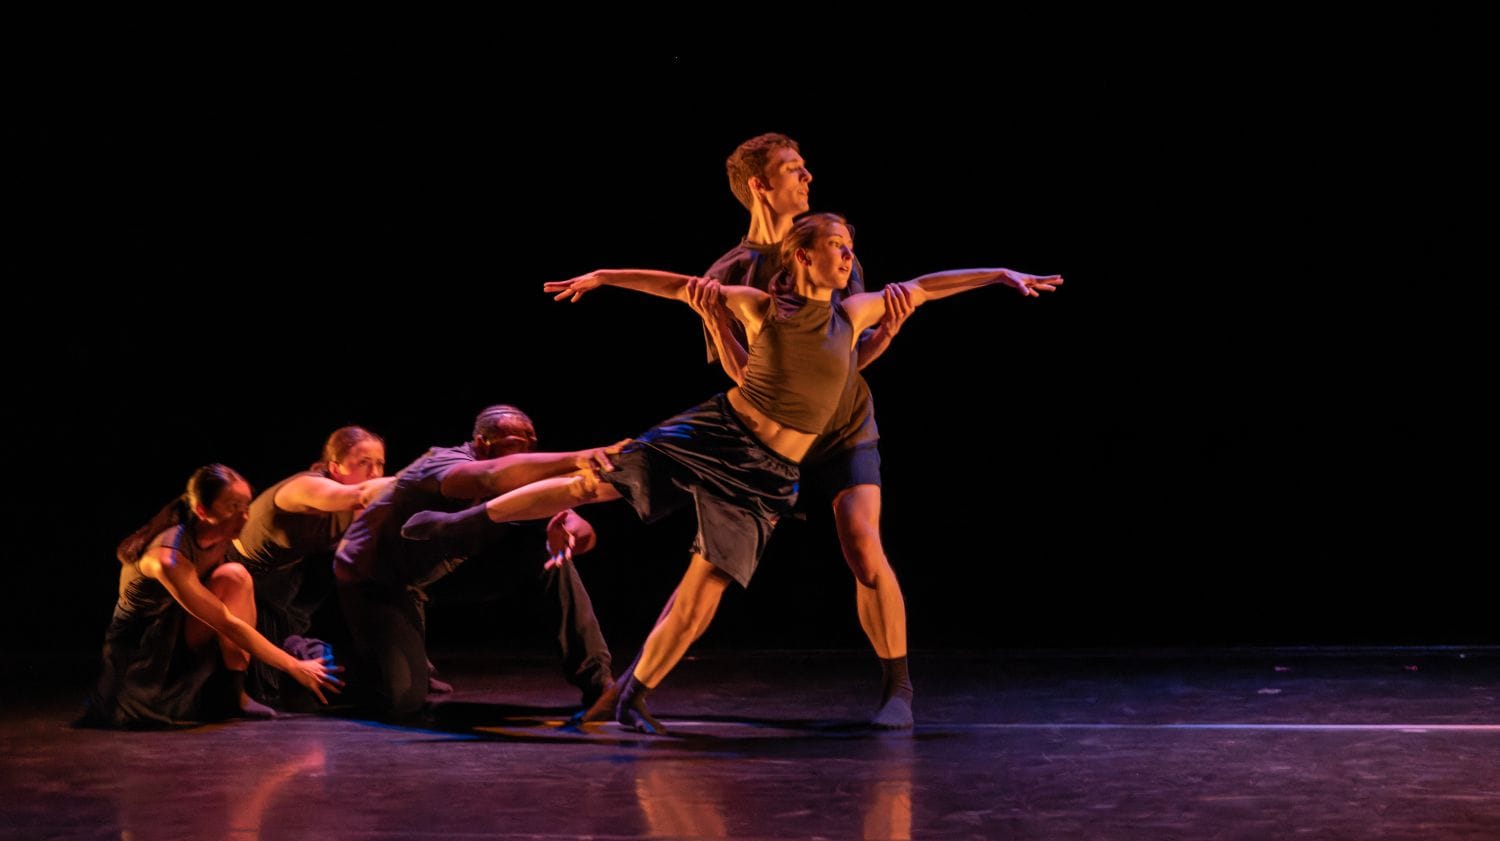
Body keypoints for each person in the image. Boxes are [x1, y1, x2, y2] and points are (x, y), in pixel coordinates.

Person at [403, 213, 1061, 733]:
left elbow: (923, 288)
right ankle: (457, 519)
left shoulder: (850, 315)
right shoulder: (764, 306)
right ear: (801, 256)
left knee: (709, 580)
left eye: (847, 247)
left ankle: (632, 696)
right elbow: (678, 286)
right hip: (716, 432)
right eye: (833, 245)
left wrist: (999, 273)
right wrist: (604, 274)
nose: (845, 256)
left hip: (770, 473)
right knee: (595, 482)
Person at [691, 132, 920, 727]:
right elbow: (750, 383)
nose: (808, 177)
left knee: (864, 545)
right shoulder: (731, 272)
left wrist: (887, 334)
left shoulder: (830, 246)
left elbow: (846, 351)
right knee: (713, 566)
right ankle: (633, 686)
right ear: (761, 186)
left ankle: (898, 690)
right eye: (793, 169)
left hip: (844, 426)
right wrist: (716, 323)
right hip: (773, 443)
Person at [333, 405, 622, 719]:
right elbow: (489, 478)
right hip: (379, 582)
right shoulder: (443, 461)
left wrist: (568, 532)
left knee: (550, 559)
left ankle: (598, 684)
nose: (524, 456)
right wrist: (579, 457)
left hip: (442, 571)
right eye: (514, 447)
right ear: (483, 443)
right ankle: (320, 656)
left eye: (530, 447)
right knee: (401, 701)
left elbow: (585, 534)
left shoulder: (519, 476)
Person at [83, 464, 342, 727]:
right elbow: (225, 621)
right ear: (202, 511)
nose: (243, 516)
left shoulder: (224, 538)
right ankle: (202, 695)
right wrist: (293, 667)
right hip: (143, 649)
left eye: (246, 506)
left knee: (235, 575)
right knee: (232, 596)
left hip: (181, 626)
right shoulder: (167, 558)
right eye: (232, 506)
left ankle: (234, 694)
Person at [230, 425, 393, 710]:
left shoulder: (361, 503)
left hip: (287, 583)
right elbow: (361, 494)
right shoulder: (305, 486)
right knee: (265, 676)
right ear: (335, 467)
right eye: (364, 463)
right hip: (242, 574)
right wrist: (427, 474)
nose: (374, 472)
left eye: (379, 463)